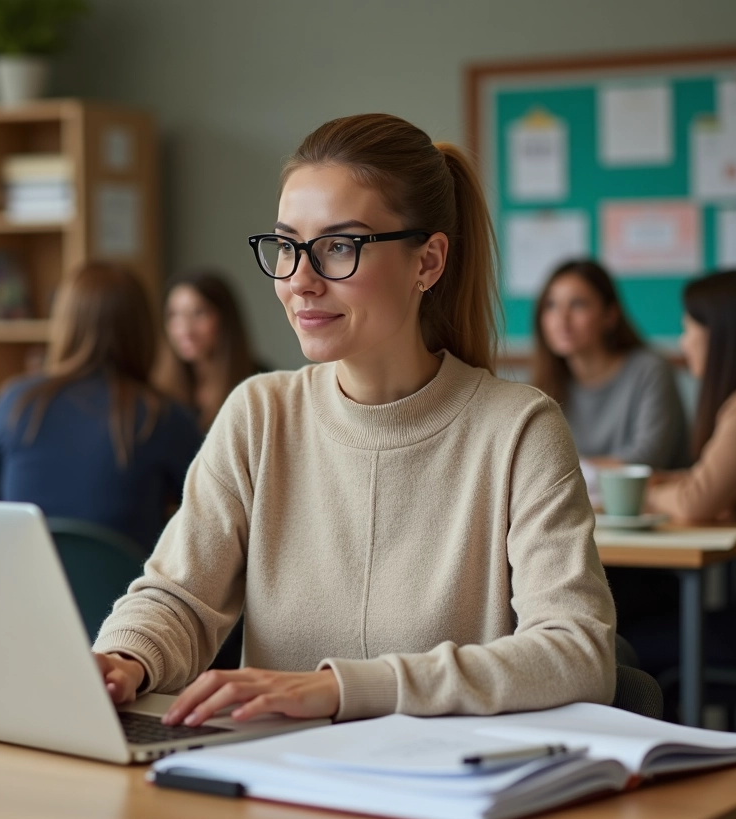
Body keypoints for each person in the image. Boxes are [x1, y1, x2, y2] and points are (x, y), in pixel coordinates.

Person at [92, 114, 616, 727]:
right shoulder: (259, 413)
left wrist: (347, 689)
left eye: (339, 246)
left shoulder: (520, 428)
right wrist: (123, 658)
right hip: (278, 783)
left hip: (445, 792)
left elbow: (578, 652)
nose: (300, 281)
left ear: (428, 261)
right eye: (287, 246)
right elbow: (180, 595)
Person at [637, 270, 736, 677]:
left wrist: (644, 491)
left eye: (688, 328)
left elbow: (695, 503)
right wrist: (669, 483)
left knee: (626, 643)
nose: (683, 342)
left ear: (722, 334)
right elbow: (707, 482)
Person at [0, 262, 202, 552]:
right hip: (122, 595)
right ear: (143, 329)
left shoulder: (15, 402)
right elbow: (206, 525)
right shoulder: (162, 417)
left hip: (22, 593)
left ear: (65, 324)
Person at [532, 260, 688, 470]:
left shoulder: (649, 370)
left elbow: (649, 458)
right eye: (551, 305)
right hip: (577, 502)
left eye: (578, 304)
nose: (562, 319)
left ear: (610, 315)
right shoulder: (544, 385)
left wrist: (566, 470)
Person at [154, 270, 265, 432]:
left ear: (225, 319)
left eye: (199, 313)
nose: (185, 330)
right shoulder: (157, 390)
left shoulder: (259, 382)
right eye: (174, 315)